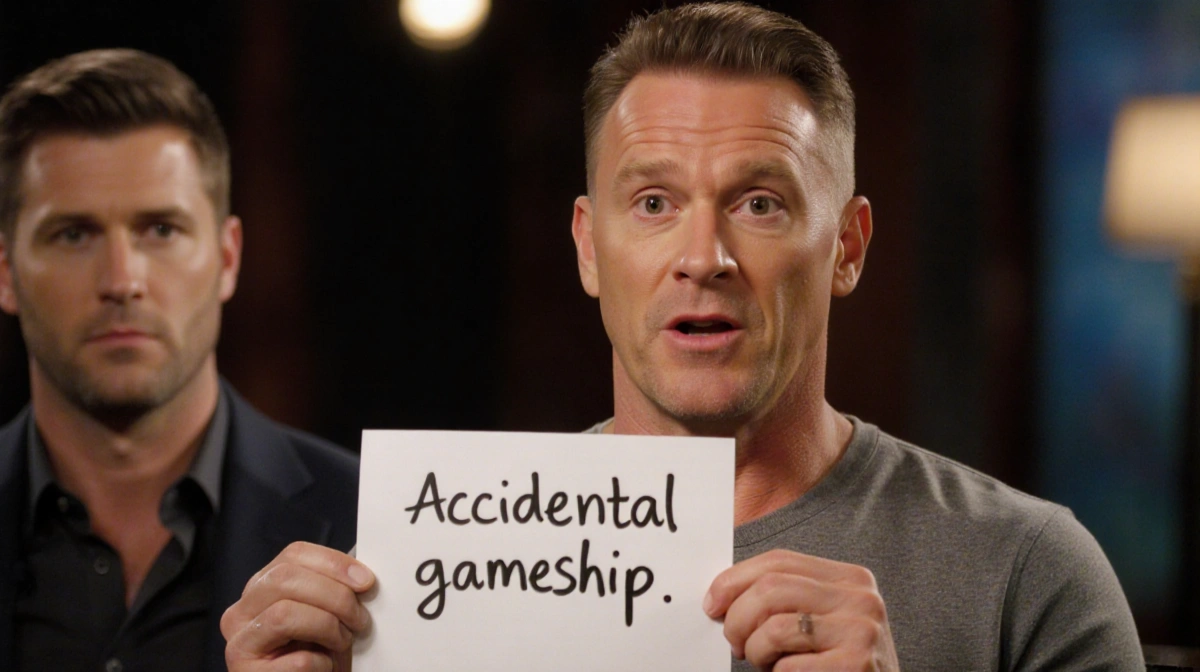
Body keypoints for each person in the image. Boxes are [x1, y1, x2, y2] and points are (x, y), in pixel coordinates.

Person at [220, 3, 1143, 671]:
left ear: (848, 248)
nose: (703, 256)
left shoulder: (1030, 575)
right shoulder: (420, 588)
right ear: (589, 248)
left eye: (759, 203)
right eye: (654, 202)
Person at [0, 49, 358, 672]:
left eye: (160, 230)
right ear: (5, 272)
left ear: (227, 258)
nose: (122, 279)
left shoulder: (368, 526)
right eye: (73, 234)